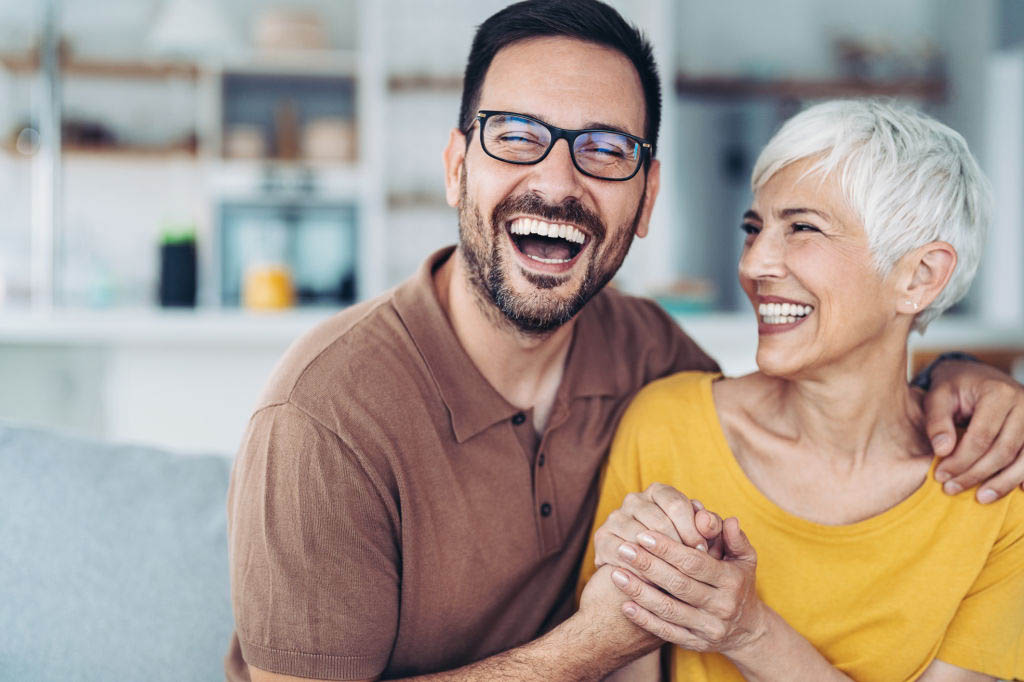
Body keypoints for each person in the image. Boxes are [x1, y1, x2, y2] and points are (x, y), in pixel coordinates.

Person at [225, 3, 1024, 680]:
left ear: (646, 201)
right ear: (456, 168)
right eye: (514, 136)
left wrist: (961, 374)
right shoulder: (323, 416)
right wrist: (596, 638)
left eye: (605, 149)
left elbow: (823, 396)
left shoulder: (648, 357)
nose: (559, 181)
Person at [580, 99, 1024, 681]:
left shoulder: (998, 495)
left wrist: (750, 632)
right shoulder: (666, 425)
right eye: (754, 228)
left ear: (920, 277)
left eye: (803, 228)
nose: (755, 263)